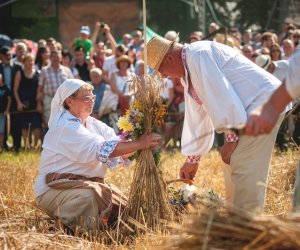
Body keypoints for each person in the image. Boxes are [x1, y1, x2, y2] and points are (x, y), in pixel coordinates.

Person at [146, 36, 288, 212]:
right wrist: (193, 159)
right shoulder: (190, 66)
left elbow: (223, 97)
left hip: (263, 104)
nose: (163, 75)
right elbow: (198, 115)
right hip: (254, 108)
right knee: (233, 161)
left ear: (169, 58)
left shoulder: (199, 56)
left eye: (161, 69)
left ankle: (248, 226)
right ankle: (235, 217)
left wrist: (231, 139)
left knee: (243, 164)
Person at [34, 79, 160, 231]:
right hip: (54, 189)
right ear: (69, 101)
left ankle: (104, 226)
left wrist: (140, 139)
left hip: (82, 186)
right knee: (88, 198)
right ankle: (71, 228)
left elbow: (116, 150)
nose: (92, 101)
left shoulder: (95, 125)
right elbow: (101, 148)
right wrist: (139, 144)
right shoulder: (65, 126)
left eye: (93, 97)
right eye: (86, 98)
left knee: (120, 202)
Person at [245, 48, 300, 136]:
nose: (268, 69)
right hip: (283, 104)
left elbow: (296, 75)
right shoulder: (264, 77)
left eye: (268, 67)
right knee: (285, 127)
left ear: (270, 62)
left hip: (296, 99)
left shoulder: (285, 65)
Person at [14, 53, 42, 149]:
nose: (30, 63)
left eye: (32, 61)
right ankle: (27, 146)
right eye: (28, 61)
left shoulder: (38, 73)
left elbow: (40, 89)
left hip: (35, 103)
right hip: (23, 103)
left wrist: (39, 104)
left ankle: (35, 147)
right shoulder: (19, 73)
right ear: (24, 62)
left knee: (37, 125)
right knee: (25, 126)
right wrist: (18, 102)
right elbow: (15, 90)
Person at [0, 73, 11, 152]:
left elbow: (9, 100)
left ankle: (1, 146)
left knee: (2, 131)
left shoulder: (6, 88)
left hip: (3, 113)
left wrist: (7, 110)